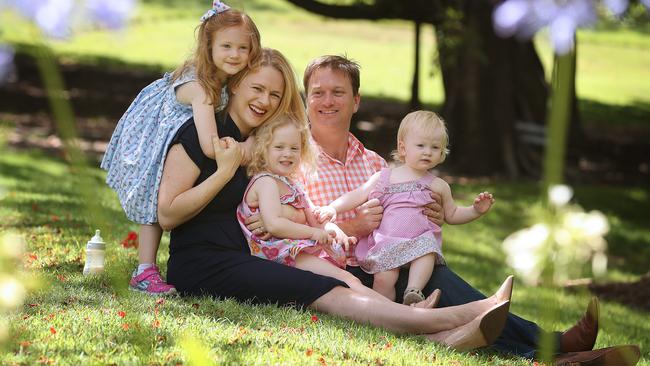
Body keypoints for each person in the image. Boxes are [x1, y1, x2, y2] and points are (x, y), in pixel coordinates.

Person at [158, 47, 514, 352]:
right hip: (209, 262)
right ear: (236, 87)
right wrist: (225, 173)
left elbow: (274, 201)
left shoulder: (260, 144)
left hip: (256, 254)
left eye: (275, 95)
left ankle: (458, 335)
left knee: (420, 274)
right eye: (257, 89)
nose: (264, 101)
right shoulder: (201, 135)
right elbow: (167, 216)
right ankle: (456, 317)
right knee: (329, 286)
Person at [290, 54, 637, 365]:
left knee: (440, 283)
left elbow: (411, 211)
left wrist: (436, 214)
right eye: (318, 92)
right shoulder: (292, 159)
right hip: (344, 276)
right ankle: (554, 348)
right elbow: (286, 236)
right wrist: (353, 227)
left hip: (390, 258)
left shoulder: (376, 163)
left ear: (356, 101)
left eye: (338, 92)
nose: (327, 101)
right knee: (447, 296)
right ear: (307, 99)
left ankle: (554, 350)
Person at [101, 1, 261, 295]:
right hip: (153, 136)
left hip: (172, 133)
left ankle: (145, 268)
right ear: (208, 46)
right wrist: (247, 149)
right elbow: (210, 147)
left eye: (243, 48)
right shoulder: (201, 89)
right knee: (154, 200)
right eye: (226, 46)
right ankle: (144, 271)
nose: (235, 55)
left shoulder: (225, 78)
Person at [236, 114, 445, 307]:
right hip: (279, 255)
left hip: (295, 251)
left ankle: (403, 311)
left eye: (294, 148)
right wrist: (314, 233)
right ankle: (402, 314)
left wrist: (333, 229)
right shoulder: (266, 183)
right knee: (348, 280)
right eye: (279, 147)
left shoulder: (291, 183)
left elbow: (314, 216)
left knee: (348, 280)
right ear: (264, 150)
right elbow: (275, 224)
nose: (287, 154)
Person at [316, 110, 495, 305]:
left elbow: (452, 214)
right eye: (420, 145)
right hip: (388, 242)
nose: (427, 151)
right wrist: (333, 208)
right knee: (383, 279)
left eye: (435, 147)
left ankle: (414, 291)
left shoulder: (438, 185)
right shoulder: (384, 177)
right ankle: (386, 313)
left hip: (418, 242)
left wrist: (475, 210)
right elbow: (357, 195)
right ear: (403, 148)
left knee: (427, 251)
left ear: (442, 153)